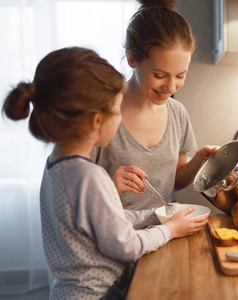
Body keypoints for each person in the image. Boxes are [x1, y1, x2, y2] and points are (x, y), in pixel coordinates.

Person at [2, 46, 208, 299]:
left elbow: (107, 221)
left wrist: (157, 216)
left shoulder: (56, 165)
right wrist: (170, 230)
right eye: (117, 111)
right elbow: (125, 246)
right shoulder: (90, 177)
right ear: (97, 121)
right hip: (99, 294)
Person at [91, 0, 217, 211]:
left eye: (180, 75)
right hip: (110, 236)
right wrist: (110, 186)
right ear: (132, 59)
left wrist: (199, 159)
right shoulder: (100, 111)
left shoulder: (178, 114)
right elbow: (75, 190)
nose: (170, 87)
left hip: (160, 234)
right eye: (159, 75)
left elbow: (176, 180)